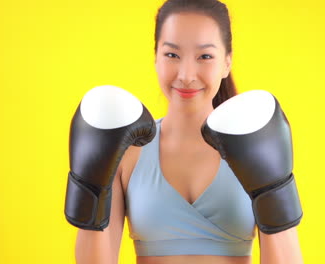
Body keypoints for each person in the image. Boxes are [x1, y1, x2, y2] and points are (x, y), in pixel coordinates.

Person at [72, 0, 303, 263]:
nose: (186, 74)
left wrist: (274, 190)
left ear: (227, 62)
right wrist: (89, 185)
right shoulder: (127, 152)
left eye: (205, 56)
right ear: (156, 57)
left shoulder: (253, 143)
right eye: (172, 54)